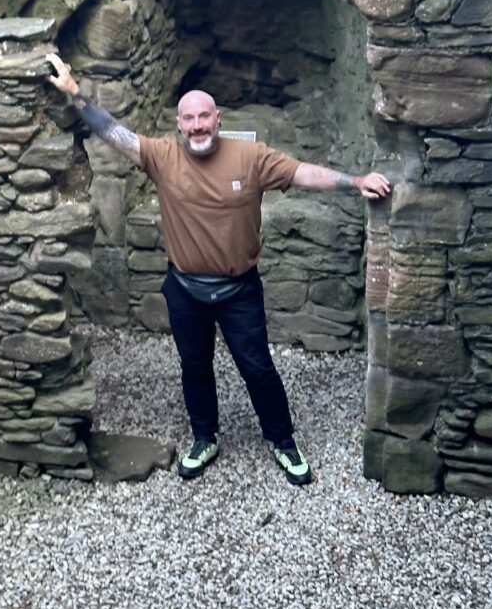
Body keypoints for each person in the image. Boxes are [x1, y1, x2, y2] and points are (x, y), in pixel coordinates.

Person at [45, 53, 391, 486]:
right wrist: (75, 93)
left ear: (218, 118)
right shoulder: (162, 156)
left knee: (257, 367)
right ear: (178, 124)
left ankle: (282, 441)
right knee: (195, 366)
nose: (197, 126)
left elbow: (303, 173)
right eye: (188, 118)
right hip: (185, 289)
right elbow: (113, 133)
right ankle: (204, 437)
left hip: (238, 291)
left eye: (203, 116)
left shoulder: (250, 157)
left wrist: (355, 182)